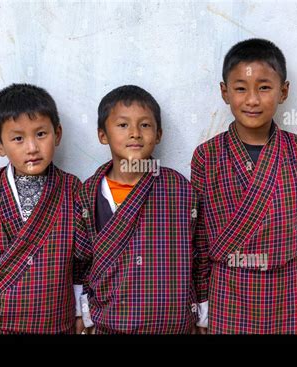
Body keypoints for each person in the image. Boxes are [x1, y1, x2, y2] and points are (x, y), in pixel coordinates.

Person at [191, 39, 297, 334]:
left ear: (283, 91)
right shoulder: (206, 156)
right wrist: (202, 297)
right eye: (241, 88)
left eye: (264, 87)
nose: (252, 99)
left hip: (287, 283)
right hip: (229, 286)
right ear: (224, 92)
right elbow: (199, 234)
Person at [75, 85, 209, 334]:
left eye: (145, 125)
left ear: (158, 134)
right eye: (123, 125)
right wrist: (82, 312)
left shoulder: (179, 189)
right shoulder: (89, 193)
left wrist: (203, 314)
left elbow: (199, 253)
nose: (135, 133)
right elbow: (82, 261)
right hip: (110, 323)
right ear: (102, 135)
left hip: (173, 324)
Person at [0, 83, 83, 334]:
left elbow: (82, 259)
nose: (32, 147)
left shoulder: (72, 189)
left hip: (54, 321)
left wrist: (80, 311)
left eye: (41, 134)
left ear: (58, 133)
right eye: (18, 138)